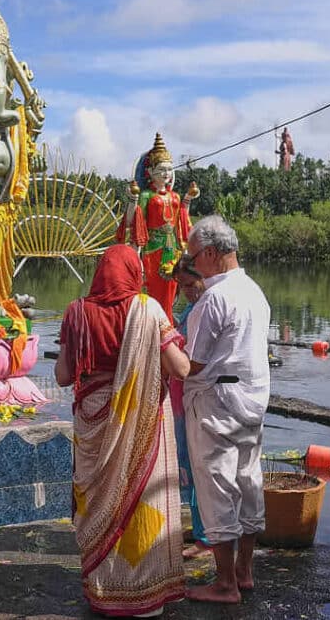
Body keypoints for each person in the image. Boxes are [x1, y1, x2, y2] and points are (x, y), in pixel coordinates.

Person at [55, 244, 191, 618]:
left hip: (91, 421)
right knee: (139, 501)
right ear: (135, 274)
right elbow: (179, 369)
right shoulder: (148, 310)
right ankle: (142, 592)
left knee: (100, 502)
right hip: (139, 422)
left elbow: (64, 375)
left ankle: (104, 592)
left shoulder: (76, 312)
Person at [181, 215, 271, 604]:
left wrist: (163, 350)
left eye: (193, 255)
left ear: (213, 254)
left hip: (216, 403)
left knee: (217, 487)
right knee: (248, 482)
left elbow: (193, 364)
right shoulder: (253, 290)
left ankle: (224, 584)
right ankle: (244, 570)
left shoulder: (213, 298)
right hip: (252, 399)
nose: (191, 262)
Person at [116, 133, 199, 325]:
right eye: (162, 170)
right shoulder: (146, 196)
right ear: (150, 171)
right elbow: (132, 221)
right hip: (153, 248)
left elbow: (182, 220)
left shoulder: (175, 196)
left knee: (172, 289)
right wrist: (133, 199)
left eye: (169, 170)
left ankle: (167, 322)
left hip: (173, 248)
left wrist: (188, 198)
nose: (166, 174)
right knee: (153, 288)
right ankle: (152, 323)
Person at [168, 255, 210, 559]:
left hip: (194, 396)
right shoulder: (190, 309)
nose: (186, 290)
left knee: (197, 465)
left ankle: (206, 537)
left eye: (190, 284)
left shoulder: (206, 309)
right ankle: (199, 528)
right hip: (182, 397)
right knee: (186, 461)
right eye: (181, 286)